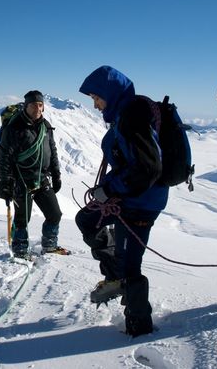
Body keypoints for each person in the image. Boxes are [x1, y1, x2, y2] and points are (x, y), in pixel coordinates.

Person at [76, 66, 168, 337]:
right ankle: (115, 275)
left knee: (131, 265)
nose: (94, 105)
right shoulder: (123, 115)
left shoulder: (131, 119)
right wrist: (108, 188)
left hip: (142, 202)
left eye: (96, 98)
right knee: (87, 219)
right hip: (127, 196)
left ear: (110, 93)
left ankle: (140, 329)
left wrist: (112, 188)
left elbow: (149, 168)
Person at [0, 90, 68, 258]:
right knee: (22, 219)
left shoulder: (46, 126)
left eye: (40, 104)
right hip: (21, 181)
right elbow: (4, 158)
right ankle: (20, 250)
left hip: (42, 179)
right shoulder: (14, 128)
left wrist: (56, 175)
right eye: (34, 104)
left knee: (55, 214)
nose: (37, 108)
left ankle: (49, 245)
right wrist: (5, 184)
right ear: (26, 106)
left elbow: (52, 151)